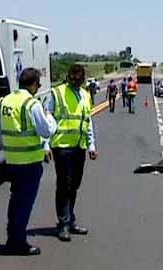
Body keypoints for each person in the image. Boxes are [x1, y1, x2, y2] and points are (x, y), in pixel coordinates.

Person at [0, 68, 56, 255]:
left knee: (15, 201)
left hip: (12, 161)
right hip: (29, 162)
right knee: (24, 203)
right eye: (38, 84)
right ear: (32, 84)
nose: (39, 87)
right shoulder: (32, 104)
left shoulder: (4, 101)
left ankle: (12, 236)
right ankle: (18, 241)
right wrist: (51, 119)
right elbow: (46, 131)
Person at [47, 64, 98, 242]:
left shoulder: (85, 94)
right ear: (69, 77)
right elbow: (49, 118)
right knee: (64, 185)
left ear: (83, 79)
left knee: (74, 185)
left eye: (80, 78)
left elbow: (87, 120)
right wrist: (46, 145)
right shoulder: (58, 92)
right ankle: (63, 224)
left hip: (79, 146)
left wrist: (91, 145)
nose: (77, 80)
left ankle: (70, 219)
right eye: (74, 77)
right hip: (62, 146)